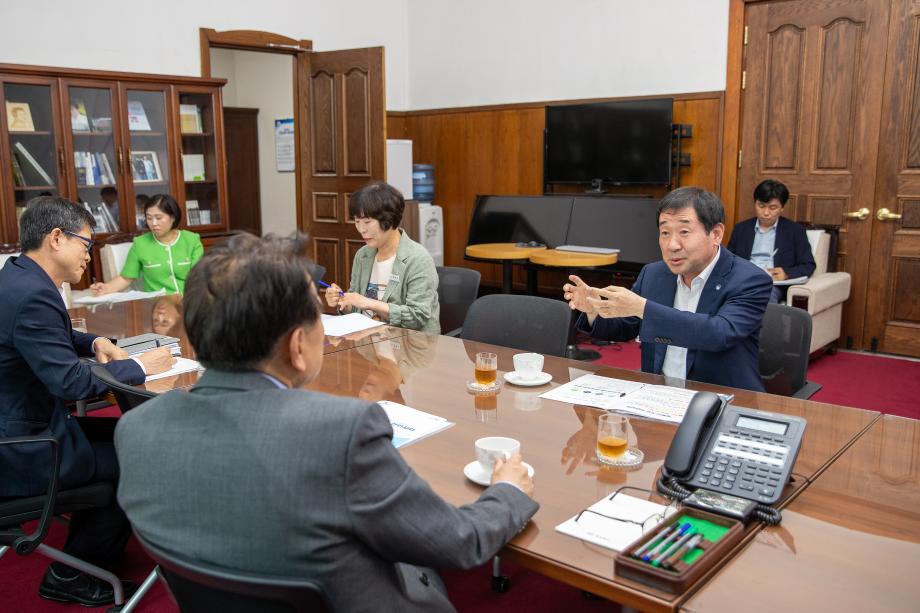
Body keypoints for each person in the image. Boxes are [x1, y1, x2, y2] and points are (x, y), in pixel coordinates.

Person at [114, 233, 537, 612]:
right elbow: (459, 542)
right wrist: (508, 491)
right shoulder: (341, 432)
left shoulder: (137, 428)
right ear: (297, 346)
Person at [0, 196, 175, 606]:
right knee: (139, 457)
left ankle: (91, 545)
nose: (89, 255)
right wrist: (139, 365)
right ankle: (70, 574)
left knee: (129, 434)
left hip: (23, 423)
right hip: (22, 448)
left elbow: (49, 334)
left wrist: (94, 341)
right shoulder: (34, 294)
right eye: (86, 244)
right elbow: (71, 384)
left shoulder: (18, 277)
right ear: (56, 238)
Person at [563, 187, 771, 392]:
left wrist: (643, 308)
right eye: (665, 233)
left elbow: (719, 333)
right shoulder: (654, 273)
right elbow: (627, 326)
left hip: (723, 398)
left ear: (716, 234)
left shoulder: (749, 279)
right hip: (659, 394)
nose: (672, 245)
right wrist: (593, 310)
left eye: (684, 232)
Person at [324, 182, 441, 334]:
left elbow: (417, 316)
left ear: (389, 219)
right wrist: (343, 302)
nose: (361, 229)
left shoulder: (418, 259)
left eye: (367, 222)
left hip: (409, 343)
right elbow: (357, 309)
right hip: (367, 341)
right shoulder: (363, 255)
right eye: (357, 221)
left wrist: (368, 303)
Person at [90, 194, 202, 296]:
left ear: (173, 217)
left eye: (158, 218)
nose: (153, 223)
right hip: (157, 304)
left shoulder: (192, 240)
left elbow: (200, 277)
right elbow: (126, 278)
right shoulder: (140, 243)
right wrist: (105, 288)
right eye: (149, 218)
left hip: (189, 301)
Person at [727, 179, 816, 303]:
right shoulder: (741, 229)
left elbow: (808, 265)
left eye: (772, 208)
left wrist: (786, 273)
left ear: (782, 208)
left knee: (765, 297)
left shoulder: (795, 231)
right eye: (761, 206)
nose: (766, 213)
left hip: (772, 285)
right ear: (755, 203)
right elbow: (728, 261)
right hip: (743, 281)